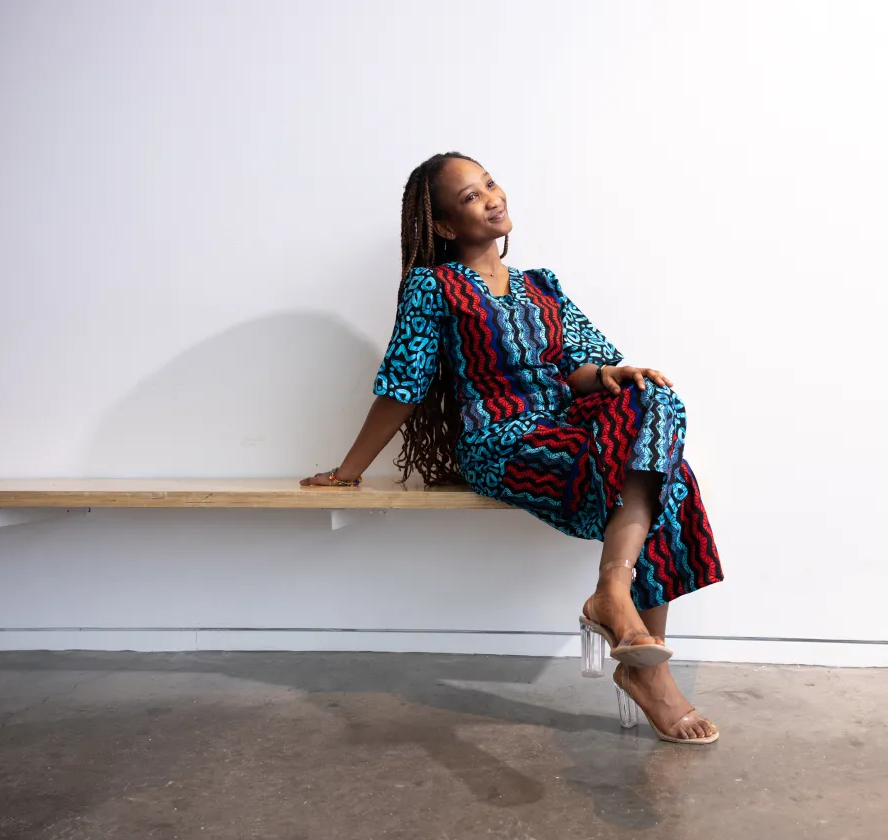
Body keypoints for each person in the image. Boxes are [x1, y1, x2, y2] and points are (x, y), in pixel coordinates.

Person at [302, 152, 724, 744]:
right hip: (502, 441)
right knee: (667, 479)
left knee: (655, 400)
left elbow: (579, 368)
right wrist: (349, 472)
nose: (492, 197)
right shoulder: (434, 286)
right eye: (471, 196)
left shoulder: (540, 286)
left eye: (490, 183)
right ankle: (642, 667)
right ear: (446, 226)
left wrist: (607, 377)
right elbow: (405, 383)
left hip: (567, 424)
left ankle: (614, 592)